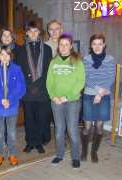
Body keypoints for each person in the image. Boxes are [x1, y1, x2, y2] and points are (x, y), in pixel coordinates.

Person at [46, 34, 85, 169]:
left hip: (72, 101)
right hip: (56, 101)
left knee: (72, 130)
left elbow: (80, 82)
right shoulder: (53, 61)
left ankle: (75, 157)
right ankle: (60, 155)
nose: (63, 47)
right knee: (59, 130)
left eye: (66, 44)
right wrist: (53, 96)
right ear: (58, 46)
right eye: (61, 44)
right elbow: (49, 82)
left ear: (71, 46)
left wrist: (67, 97)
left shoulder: (77, 61)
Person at [0, 46, 26, 166]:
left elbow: (21, 88)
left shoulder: (17, 69)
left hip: (12, 106)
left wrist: (10, 99)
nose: (4, 57)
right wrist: (0, 99)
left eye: (7, 54)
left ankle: (12, 154)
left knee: (12, 132)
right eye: (2, 54)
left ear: (10, 56)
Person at [17, 21, 52, 154]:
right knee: (29, 118)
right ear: (26, 32)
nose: (33, 33)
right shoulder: (20, 50)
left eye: (36, 31)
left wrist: (38, 85)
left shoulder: (47, 49)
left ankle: (38, 143)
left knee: (41, 118)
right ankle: (30, 142)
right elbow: (19, 71)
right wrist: (29, 86)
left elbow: (49, 71)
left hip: (42, 90)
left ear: (39, 33)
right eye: (30, 31)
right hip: (27, 90)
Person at [81, 33, 115, 163]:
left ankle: (94, 152)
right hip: (89, 94)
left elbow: (111, 77)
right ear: (91, 45)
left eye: (100, 44)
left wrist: (100, 94)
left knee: (100, 126)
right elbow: (87, 77)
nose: (97, 46)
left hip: (104, 95)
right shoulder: (87, 59)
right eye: (94, 44)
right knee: (87, 126)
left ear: (104, 45)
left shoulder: (110, 59)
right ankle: (84, 151)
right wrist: (97, 90)